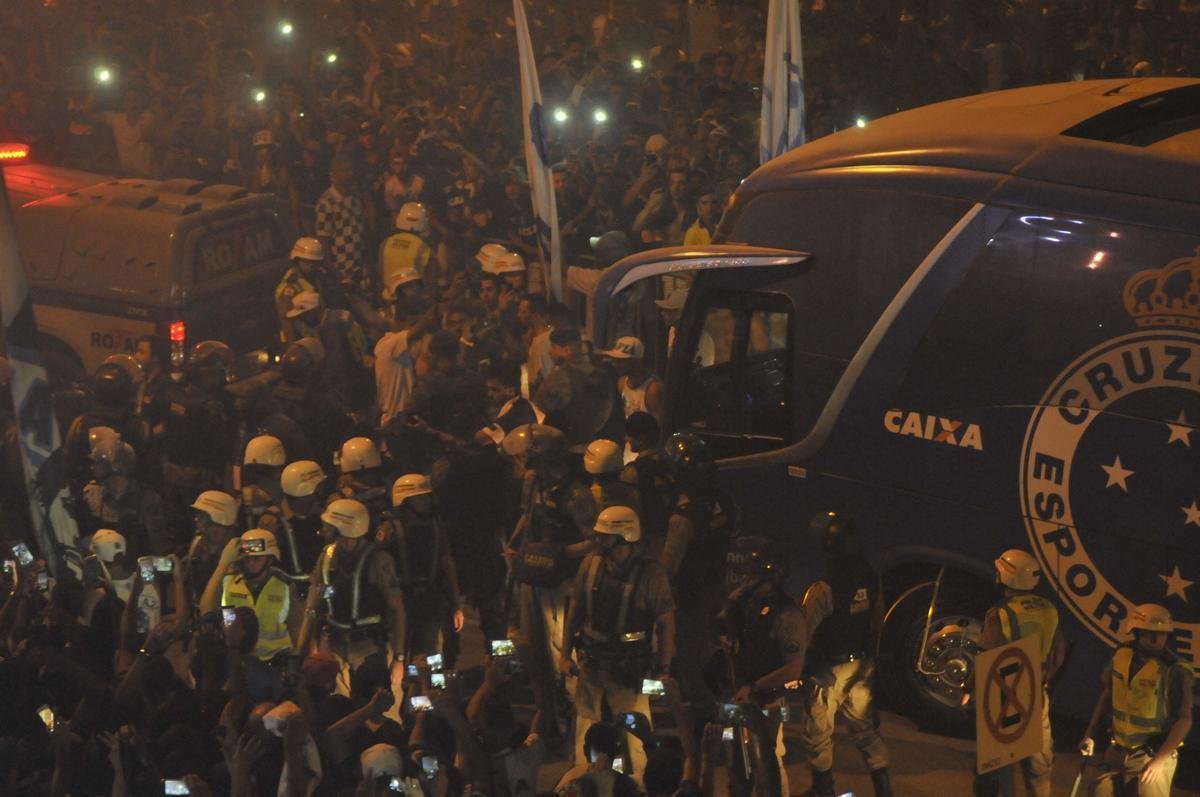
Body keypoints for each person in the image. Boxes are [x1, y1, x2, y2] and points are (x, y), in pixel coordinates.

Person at [559, 505, 675, 782]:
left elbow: (666, 622)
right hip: (591, 665)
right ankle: (585, 784)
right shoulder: (590, 564)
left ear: (624, 536)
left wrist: (664, 669)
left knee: (634, 737)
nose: (597, 540)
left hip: (629, 671)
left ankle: (638, 787)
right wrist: (565, 655)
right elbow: (574, 609)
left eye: (604, 536)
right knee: (586, 732)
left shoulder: (651, 573)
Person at [502, 423, 597, 742]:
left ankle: (574, 721)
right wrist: (515, 546)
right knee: (532, 649)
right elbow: (528, 516)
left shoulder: (576, 493)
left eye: (522, 457)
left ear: (539, 458)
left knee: (562, 652)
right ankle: (548, 716)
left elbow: (596, 539)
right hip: (532, 577)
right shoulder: (533, 482)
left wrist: (561, 554)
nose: (518, 464)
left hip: (561, 584)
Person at [800, 513, 892, 797]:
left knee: (818, 734)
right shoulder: (871, 578)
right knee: (865, 731)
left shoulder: (823, 589)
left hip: (828, 670)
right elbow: (877, 622)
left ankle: (823, 789)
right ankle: (884, 789)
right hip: (860, 667)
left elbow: (803, 633)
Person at [718, 536, 807, 797]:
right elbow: (722, 625)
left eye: (751, 574)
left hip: (768, 702)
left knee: (767, 761)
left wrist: (753, 687)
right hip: (737, 696)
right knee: (733, 759)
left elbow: (793, 669)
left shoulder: (788, 614)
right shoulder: (744, 603)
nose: (744, 579)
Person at [973, 550, 1065, 797]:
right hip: (1037, 695)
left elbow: (985, 657)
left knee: (994, 772)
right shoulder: (1049, 609)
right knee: (1038, 771)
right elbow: (1058, 654)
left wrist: (968, 690)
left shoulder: (1001, 612)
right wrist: (1043, 680)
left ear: (1005, 576)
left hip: (1005, 698)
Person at [1080, 604, 1194, 797]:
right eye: (1149, 632)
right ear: (1136, 632)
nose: (1156, 639)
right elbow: (1108, 694)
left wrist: (1159, 760)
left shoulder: (1174, 670)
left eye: (1162, 634)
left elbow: (1184, 720)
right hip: (1117, 750)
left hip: (1151, 754)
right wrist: (1089, 734)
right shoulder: (1121, 655)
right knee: (1099, 792)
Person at [299, 498, 408, 695]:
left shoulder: (378, 560)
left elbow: (397, 608)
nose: (324, 530)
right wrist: (310, 647)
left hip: (368, 646)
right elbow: (314, 604)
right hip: (333, 642)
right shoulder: (326, 555)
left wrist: (399, 659)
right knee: (335, 707)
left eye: (329, 526)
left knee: (376, 706)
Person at [375, 474, 465, 660]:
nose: (426, 501)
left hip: (431, 600)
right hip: (401, 601)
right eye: (420, 497)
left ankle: (428, 687)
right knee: (398, 656)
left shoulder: (435, 527)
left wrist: (457, 604)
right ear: (405, 500)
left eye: (427, 497)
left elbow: (447, 563)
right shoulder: (389, 530)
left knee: (431, 659)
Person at [199, 528, 302, 663]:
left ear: (270, 560)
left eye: (256, 558)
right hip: (238, 662)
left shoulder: (285, 587)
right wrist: (224, 564)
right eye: (246, 558)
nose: (250, 563)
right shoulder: (228, 582)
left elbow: (297, 630)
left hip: (275, 664)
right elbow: (205, 609)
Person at [535, 326, 621, 452]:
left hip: (567, 445)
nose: (550, 352)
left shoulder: (560, 376)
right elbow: (606, 409)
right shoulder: (600, 373)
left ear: (566, 350)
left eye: (554, 347)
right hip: (597, 444)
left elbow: (542, 404)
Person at [257, 460, 328, 593]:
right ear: (306, 489)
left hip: (318, 590)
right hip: (285, 593)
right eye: (318, 487)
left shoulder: (322, 515)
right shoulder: (272, 521)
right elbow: (259, 562)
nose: (321, 492)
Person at [315, 154, 369, 292]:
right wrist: (336, 275)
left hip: (361, 270)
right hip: (342, 271)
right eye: (345, 171)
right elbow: (323, 243)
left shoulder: (355, 197)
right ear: (334, 174)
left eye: (351, 170)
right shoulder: (326, 203)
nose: (350, 174)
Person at [598, 336, 665, 426]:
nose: (614, 364)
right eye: (614, 360)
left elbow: (659, 427)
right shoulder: (622, 382)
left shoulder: (653, 389)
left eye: (620, 361)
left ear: (635, 361)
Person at [276, 237, 329, 342]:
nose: (312, 265)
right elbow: (286, 320)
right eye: (308, 261)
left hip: (321, 334)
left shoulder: (316, 276)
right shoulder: (289, 287)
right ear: (297, 260)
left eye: (315, 262)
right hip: (304, 340)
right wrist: (293, 345)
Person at [379, 202, 435, 288]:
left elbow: (379, 271)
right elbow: (433, 276)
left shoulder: (386, 242)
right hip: (413, 297)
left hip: (387, 296)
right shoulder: (422, 246)